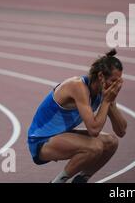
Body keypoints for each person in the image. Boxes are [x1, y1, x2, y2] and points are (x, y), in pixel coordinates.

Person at [27, 49, 127, 183]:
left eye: (119, 81)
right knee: (95, 147)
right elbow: (94, 130)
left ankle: (81, 180)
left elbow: (121, 131)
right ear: (101, 77)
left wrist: (111, 104)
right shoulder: (77, 86)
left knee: (111, 142)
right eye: (114, 80)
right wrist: (107, 101)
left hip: (61, 135)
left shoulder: (104, 91)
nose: (117, 85)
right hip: (41, 141)